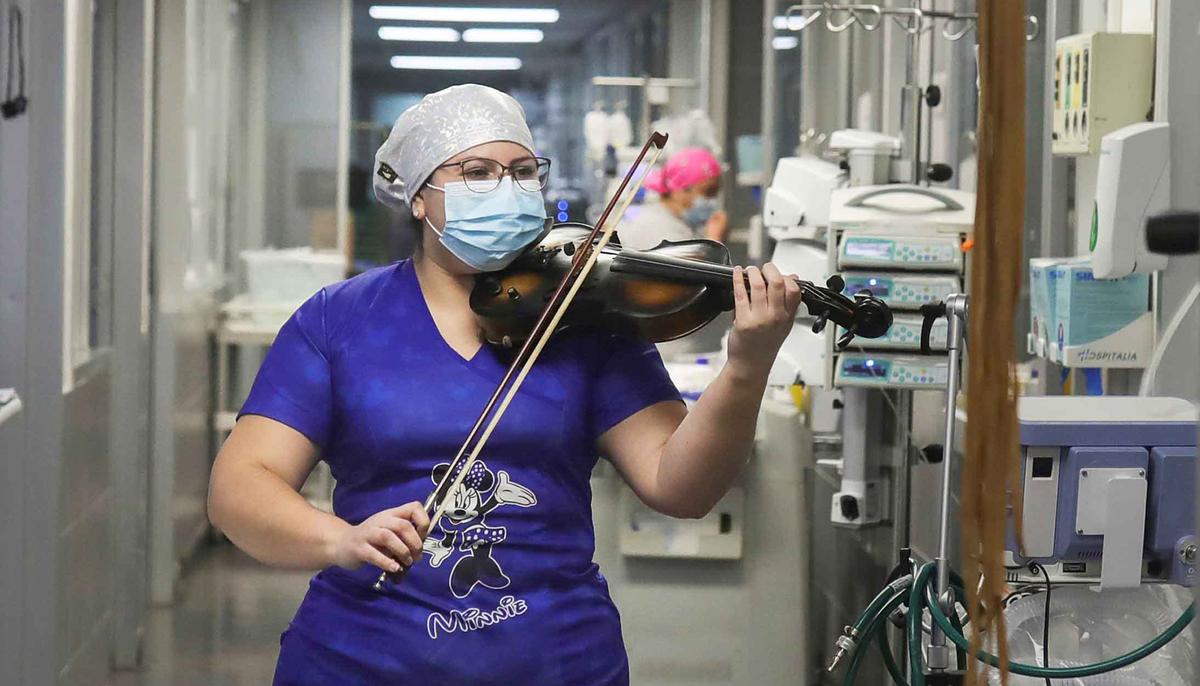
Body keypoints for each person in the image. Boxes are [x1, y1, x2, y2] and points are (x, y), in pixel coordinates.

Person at [207, 84, 801, 685]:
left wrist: (746, 368)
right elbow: (240, 488)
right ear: (420, 198)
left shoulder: (582, 319)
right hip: (360, 662)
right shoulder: (339, 321)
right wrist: (339, 541)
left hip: (558, 662)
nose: (507, 188)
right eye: (476, 172)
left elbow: (682, 487)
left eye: (522, 172)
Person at [619, 146, 728, 250]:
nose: (712, 200)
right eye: (708, 192)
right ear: (679, 191)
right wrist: (714, 243)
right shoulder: (657, 227)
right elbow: (687, 268)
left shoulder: (683, 224)